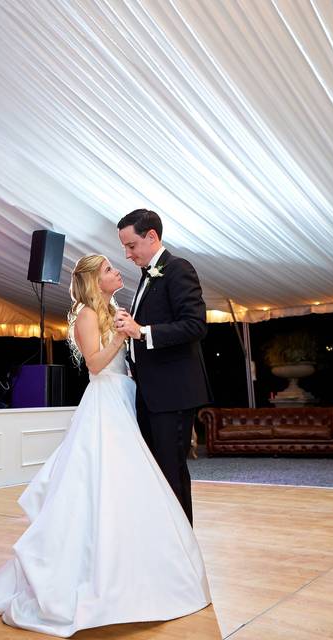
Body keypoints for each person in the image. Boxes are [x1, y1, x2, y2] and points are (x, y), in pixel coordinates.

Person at [0, 254, 211, 637]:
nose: (117, 270)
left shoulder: (112, 308)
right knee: (102, 485)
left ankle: (135, 565)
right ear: (93, 280)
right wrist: (123, 335)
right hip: (105, 405)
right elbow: (95, 364)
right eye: (108, 269)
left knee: (131, 489)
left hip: (126, 399)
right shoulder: (87, 314)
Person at [114, 209, 211, 525]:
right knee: (155, 473)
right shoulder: (147, 276)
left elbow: (195, 325)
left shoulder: (178, 269)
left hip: (173, 395)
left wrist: (141, 332)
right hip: (151, 394)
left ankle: (182, 552)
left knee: (172, 473)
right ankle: (164, 544)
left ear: (152, 236)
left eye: (131, 245)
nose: (127, 254)